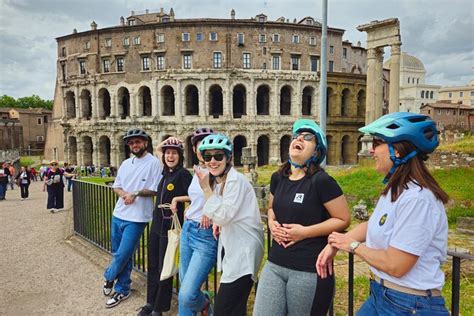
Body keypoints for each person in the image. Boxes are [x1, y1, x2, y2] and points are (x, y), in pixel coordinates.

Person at [317, 112, 450, 315]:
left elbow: (396, 265)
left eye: (377, 143)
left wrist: (352, 246)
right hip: (383, 295)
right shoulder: (397, 190)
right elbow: (373, 225)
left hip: (410, 304)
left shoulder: (418, 199)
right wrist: (335, 244)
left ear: (397, 150)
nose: (371, 151)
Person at [253, 119, 351, 316]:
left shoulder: (321, 181)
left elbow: (343, 219)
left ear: (316, 152)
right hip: (275, 264)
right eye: (297, 136)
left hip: (308, 268)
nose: (299, 138)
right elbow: (272, 207)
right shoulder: (278, 177)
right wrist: (271, 223)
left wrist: (304, 233)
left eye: (307, 137)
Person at [195, 134, 264, 315]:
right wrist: (219, 221)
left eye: (218, 156)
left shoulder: (236, 180)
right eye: (208, 157)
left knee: (223, 309)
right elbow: (224, 213)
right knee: (235, 308)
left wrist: (206, 189)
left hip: (244, 251)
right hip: (235, 249)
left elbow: (223, 215)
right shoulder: (221, 182)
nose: (213, 161)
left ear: (228, 158)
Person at [103, 128, 162, 308]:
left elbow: (155, 189)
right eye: (131, 142)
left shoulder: (154, 163)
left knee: (123, 253)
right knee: (122, 255)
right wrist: (124, 194)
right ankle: (123, 289)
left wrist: (135, 193)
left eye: (138, 141)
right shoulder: (126, 163)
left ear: (145, 143)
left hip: (137, 218)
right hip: (118, 214)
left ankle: (109, 276)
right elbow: (117, 186)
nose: (134, 145)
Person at [137, 138, 193, 316]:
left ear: (180, 156)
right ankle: (150, 302)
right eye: (168, 153)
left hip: (170, 224)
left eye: (174, 153)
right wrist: (167, 142)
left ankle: (159, 308)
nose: (169, 155)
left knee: (165, 267)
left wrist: (177, 200)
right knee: (153, 265)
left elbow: (194, 196)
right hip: (157, 224)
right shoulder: (165, 172)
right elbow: (158, 150)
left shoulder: (183, 174)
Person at [174, 127, 218, 316]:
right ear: (194, 149)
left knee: (187, 294)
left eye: (208, 141)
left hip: (205, 234)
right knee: (185, 285)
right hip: (188, 230)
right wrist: (183, 202)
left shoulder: (219, 172)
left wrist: (210, 211)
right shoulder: (198, 170)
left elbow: (223, 204)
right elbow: (197, 196)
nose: (203, 146)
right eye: (199, 143)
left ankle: (205, 300)